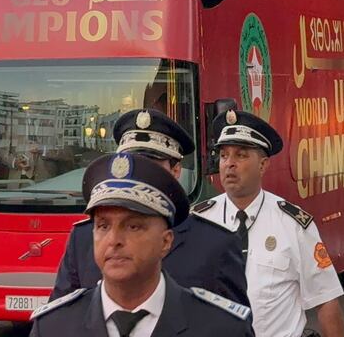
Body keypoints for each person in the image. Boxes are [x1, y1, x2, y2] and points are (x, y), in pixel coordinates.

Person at [24, 152, 257, 337]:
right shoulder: (53, 329)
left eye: (133, 226)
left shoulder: (221, 331)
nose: (114, 240)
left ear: (166, 242)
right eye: (103, 226)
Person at [195, 109, 344, 337]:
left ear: (263, 164)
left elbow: (326, 301)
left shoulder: (292, 224)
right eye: (223, 155)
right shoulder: (198, 222)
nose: (229, 163)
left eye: (241, 155)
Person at [52, 109, 248, 307]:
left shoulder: (215, 245)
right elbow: (61, 318)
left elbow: (231, 324)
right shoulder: (83, 239)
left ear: (176, 170)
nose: (140, 177)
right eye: (133, 165)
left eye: (151, 168)